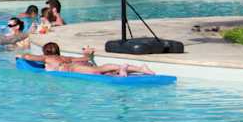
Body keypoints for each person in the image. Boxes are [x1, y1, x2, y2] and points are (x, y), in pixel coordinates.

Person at [23, 42, 154, 76]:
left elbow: (28, 56)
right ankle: (139, 69)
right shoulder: (64, 57)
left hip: (73, 69)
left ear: (45, 52)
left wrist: (20, 56)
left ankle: (127, 69)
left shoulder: (47, 58)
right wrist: (87, 53)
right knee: (104, 71)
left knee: (99, 70)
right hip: (80, 65)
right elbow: (84, 58)